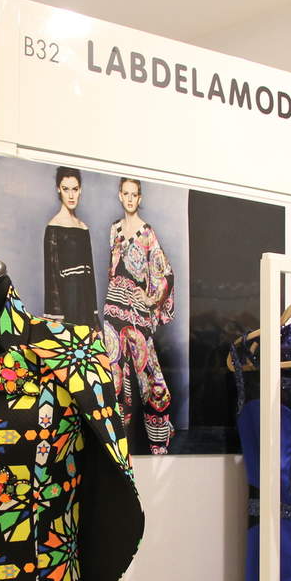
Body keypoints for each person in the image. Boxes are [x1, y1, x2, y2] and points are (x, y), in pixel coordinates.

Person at [101, 177, 174, 454]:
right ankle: (117, 446)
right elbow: (112, 269)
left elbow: (165, 272)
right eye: (126, 194)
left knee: (149, 376)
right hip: (112, 310)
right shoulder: (114, 229)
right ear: (120, 196)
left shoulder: (147, 233)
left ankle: (159, 441)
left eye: (134, 194)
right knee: (114, 375)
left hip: (137, 313)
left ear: (139, 198)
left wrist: (151, 298)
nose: (130, 199)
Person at [42, 167, 98, 325]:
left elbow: (90, 277)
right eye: (66, 189)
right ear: (58, 189)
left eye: (75, 189)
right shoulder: (53, 227)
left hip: (85, 303)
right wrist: (57, 316)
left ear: (80, 190)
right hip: (67, 303)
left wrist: (94, 314)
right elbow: (51, 276)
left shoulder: (83, 227)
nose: (71, 195)